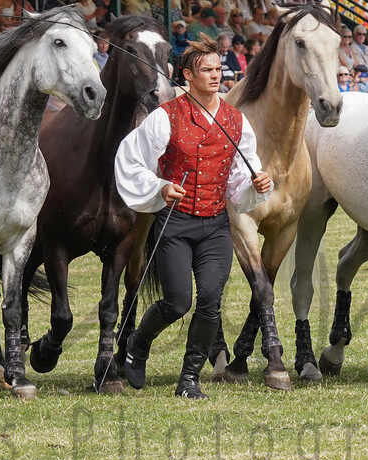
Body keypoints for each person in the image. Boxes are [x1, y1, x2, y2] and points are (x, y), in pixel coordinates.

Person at [111, 42, 273, 399]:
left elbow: (241, 175)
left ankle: (189, 379)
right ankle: (138, 343)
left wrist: (257, 181)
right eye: (207, 70)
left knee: (211, 301)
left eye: (218, 69)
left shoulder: (236, 120)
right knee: (177, 302)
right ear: (187, 75)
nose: (215, 75)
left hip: (216, 224)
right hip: (175, 225)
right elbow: (131, 159)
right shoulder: (165, 116)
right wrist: (160, 186)